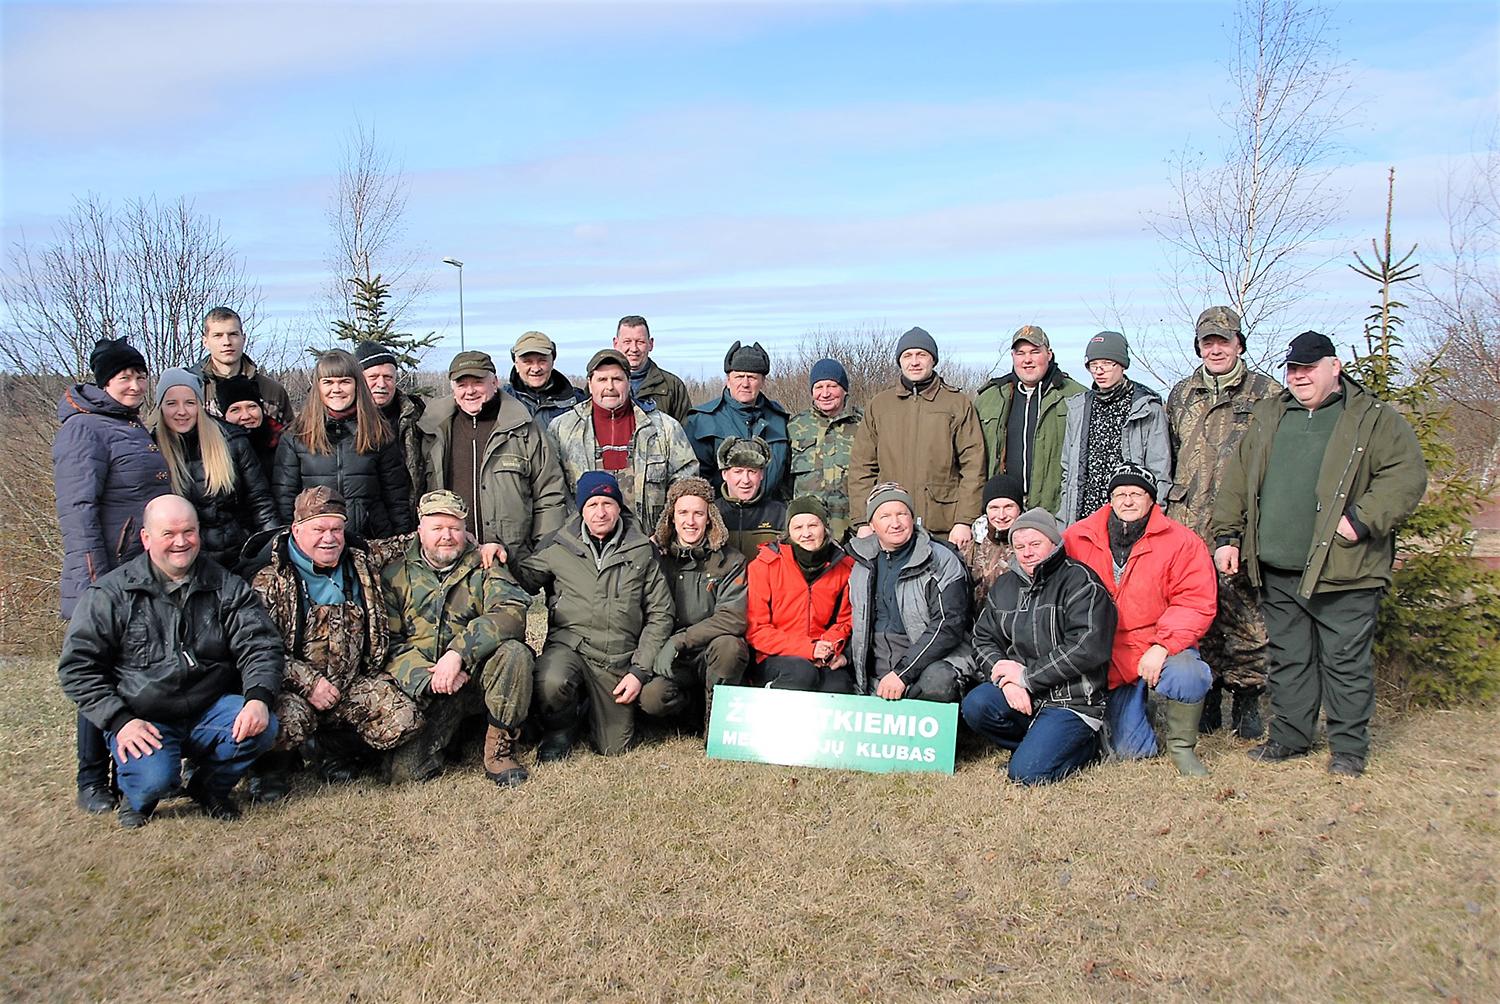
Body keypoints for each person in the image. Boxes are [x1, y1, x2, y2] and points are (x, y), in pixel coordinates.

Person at [1212, 331, 1427, 777]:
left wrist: (1363, 519)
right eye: (1293, 368)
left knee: (1345, 661)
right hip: (1277, 568)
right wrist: (1228, 536)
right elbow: (1238, 479)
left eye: (1309, 367)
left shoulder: (1371, 418)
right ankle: (1291, 738)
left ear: (1335, 367)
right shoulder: (1272, 414)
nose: (1299, 376)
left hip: (1345, 568)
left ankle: (1348, 749)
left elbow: (1406, 475)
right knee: (1290, 658)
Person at [57, 495, 283, 827]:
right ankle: (138, 794)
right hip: (144, 718)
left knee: (264, 728)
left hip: (208, 709)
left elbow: (260, 644)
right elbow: (78, 667)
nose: (181, 542)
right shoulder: (109, 595)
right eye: (169, 534)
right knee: (155, 779)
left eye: (189, 532)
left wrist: (258, 698)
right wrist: (120, 721)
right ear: (146, 538)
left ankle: (209, 788)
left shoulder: (226, 586)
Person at [54, 337, 172, 815]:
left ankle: (127, 769)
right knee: (99, 672)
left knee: (133, 669)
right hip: (104, 572)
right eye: (124, 376)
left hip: (138, 567)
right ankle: (91, 780)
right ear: (103, 382)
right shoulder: (85, 430)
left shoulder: (129, 426)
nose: (134, 384)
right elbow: (78, 510)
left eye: (140, 376)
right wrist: (94, 579)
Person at [247, 486, 423, 800]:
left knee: (404, 719)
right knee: (276, 722)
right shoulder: (270, 580)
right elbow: (261, 651)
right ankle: (269, 771)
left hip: (352, 684)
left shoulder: (359, 560)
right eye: (319, 529)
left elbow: (406, 543)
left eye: (337, 529)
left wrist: (472, 541)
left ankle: (329, 749)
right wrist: (310, 684)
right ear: (296, 530)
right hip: (297, 690)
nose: (329, 538)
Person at [1166, 306, 1283, 738]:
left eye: (1223, 341)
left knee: (1248, 615)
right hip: (1189, 523)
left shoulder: (1267, 394)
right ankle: (1209, 695)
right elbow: (1172, 455)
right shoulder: (1181, 394)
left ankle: (1249, 698)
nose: (1215, 349)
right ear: (1198, 346)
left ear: (1239, 344)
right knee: (1201, 614)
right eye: (1207, 342)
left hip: (1243, 524)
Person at [1063, 465, 1218, 776]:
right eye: (1120, 494)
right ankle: (1135, 709)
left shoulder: (1182, 542)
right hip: (1108, 653)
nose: (1128, 501)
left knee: (1189, 673)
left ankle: (1181, 747)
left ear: (1151, 500)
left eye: (1137, 494)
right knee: (1132, 753)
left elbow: (1195, 601)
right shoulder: (1077, 537)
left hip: (1157, 645)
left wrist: (1163, 645)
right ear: (1110, 499)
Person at [514, 472, 675, 760]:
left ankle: (588, 706)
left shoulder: (642, 550)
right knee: (551, 680)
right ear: (581, 509)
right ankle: (560, 728)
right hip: (570, 645)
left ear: (618, 506)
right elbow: (521, 580)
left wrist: (638, 671)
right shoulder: (558, 545)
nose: (600, 512)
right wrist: (495, 554)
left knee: (613, 747)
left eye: (607, 503)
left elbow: (661, 615)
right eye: (592, 505)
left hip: (616, 657)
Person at [383, 490, 536, 788]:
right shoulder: (394, 576)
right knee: (405, 776)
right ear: (420, 531)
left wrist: (457, 655)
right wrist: (429, 678)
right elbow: (390, 643)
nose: (447, 536)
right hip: (430, 686)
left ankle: (499, 747)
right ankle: (457, 735)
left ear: (466, 531)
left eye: (455, 528)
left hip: (477, 678)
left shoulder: (486, 564)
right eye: (437, 528)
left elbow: (511, 613)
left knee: (515, 653)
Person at [961, 508, 1115, 785]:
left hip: (1073, 701)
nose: (1027, 552)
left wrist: (1027, 677)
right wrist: (1006, 680)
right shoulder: (1006, 585)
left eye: (1035, 544)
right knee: (976, 705)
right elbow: (982, 638)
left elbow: (1086, 647)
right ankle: (1039, 742)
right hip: (1025, 695)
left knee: (1027, 774)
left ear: (1054, 543)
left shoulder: (1081, 582)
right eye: (1019, 546)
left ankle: (1087, 746)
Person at [417, 350, 569, 561]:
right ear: (453, 390)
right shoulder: (432, 432)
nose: (470, 391)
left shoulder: (524, 430)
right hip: (451, 560)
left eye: (478, 382)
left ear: (494, 382)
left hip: (511, 561)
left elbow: (550, 497)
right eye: (462, 384)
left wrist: (539, 559)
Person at [849, 326, 985, 549]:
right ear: (899, 361)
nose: (914, 362)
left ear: (933, 360)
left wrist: (964, 520)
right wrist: (863, 520)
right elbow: (861, 469)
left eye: (921, 355)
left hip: (943, 524)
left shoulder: (956, 403)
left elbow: (973, 466)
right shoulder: (880, 405)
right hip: (890, 525)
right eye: (907, 356)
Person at [846, 483, 976, 703]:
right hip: (878, 658)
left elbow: (949, 625)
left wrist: (903, 673)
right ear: (872, 524)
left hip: (930, 656)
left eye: (902, 514)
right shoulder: (861, 564)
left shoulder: (941, 559)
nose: (895, 523)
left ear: (912, 518)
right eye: (885, 516)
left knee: (938, 682)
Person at [642, 476, 751, 730]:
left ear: (710, 517)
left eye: (698, 514)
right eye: (683, 513)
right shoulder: (655, 558)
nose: (690, 522)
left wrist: (681, 640)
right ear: (671, 517)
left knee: (730, 648)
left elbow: (732, 617)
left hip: (709, 650)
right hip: (671, 656)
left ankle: (717, 724)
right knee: (652, 699)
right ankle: (692, 709)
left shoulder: (731, 561)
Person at [548, 348, 698, 531]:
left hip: (649, 543)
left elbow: (685, 485)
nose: (610, 387)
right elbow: (552, 492)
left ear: (628, 382)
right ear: (590, 383)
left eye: (617, 379)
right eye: (602, 379)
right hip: (584, 546)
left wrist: (663, 533)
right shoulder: (562, 429)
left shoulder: (664, 428)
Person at [273, 349, 414, 540]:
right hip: (318, 542)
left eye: (345, 382)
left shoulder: (378, 433)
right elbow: (285, 499)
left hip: (371, 541)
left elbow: (396, 497)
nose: (336, 389)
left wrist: (401, 540)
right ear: (318, 387)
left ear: (357, 386)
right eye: (328, 382)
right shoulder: (296, 435)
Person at [149, 368, 277, 570]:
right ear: (161, 407)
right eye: (172, 403)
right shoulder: (151, 450)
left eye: (190, 403)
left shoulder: (232, 441)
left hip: (238, 559)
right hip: (182, 564)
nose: (181, 411)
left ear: (199, 405)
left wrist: (272, 552)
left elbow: (260, 502)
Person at [1059, 331, 1173, 525]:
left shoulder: (1147, 407)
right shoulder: (1079, 407)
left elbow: (1160, 471)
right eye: (1093, 365)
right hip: (1086, 517)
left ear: (1121, 364)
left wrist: (1155, 518)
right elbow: (1067, 471)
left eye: (1106, 363)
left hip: (1130, 514)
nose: (1099, 371)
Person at [745, 496, 855, 693]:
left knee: (838, 685)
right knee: (802, 674)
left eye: (813, 525)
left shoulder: (844, 567)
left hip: (822, 652)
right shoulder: (764, 566)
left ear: (825, 527)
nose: (806, 534)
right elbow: (757, 630)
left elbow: (845, 621)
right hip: (774, 655)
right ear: (789, 532)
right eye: (798, 528)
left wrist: (829, 648)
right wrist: (808, 648)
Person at [973, 325, 1086, 515]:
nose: (1027, 360)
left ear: (1049, 354)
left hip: (1056, 512)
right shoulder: (989, 398)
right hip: (1002, 513)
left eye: (1035, 352)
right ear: (1013, 357)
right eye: (1021, 353)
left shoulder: (1076, 397)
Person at [684, 341, 790, 494]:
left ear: (763, 381)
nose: (745, 384)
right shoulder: (703, 420)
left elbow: (787, 478)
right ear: (728, 380)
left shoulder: (779, 420)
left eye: (752, 377)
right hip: (721, 512)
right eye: (739, 376)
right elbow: (694, 482)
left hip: (771, 513)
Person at [787, 357, 864, 542]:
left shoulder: (865, 424)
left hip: (854, 530)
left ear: (844, 389)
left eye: (832, 386)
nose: (825, 393)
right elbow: (783, 482)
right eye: (819, 387)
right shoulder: (795, 426)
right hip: (808, 533)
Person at [189, 306, 294, 427]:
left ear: (243, 338)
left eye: (233, 334)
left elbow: (291, 441)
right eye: (218, 335)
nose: (227, 342)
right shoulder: (192, 390)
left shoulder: (272, 391)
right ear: (205, 341)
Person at [356, 340, 427, 513]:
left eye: (388, 377)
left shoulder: (417, 416)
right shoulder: (345, 422)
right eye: (373, 377)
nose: (381, 384)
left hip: (411, 516)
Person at [714, 436, 788, 562]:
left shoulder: (780, 514)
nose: (746, 480)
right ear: (724, 474)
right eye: (738, 471)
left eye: (752, 471)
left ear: (762, 475)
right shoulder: (712, 513)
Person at [960, 474, 1024, 609]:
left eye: (1008, 507)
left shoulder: (1028, 547)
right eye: (994, 508)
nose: (1001, 516)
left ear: (1019, 509)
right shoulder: (971, 549)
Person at [614, 314, 692, 423]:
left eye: (640, 342)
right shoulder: (601, 385)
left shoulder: (672, 386)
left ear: (650, 344)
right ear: (616, 344)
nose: (634, 349)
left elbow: (687, 432)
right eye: (627, 342)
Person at [502, 330, 586, 428]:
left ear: (552, 362)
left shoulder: (577, 402)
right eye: (528, 362)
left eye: (542, 361)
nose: (536, 369)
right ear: (516, 364)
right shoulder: (500, 401)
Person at [215, 373, 283, 480]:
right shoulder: (215, 449)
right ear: (225, 416)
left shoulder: (282, 442)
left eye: (252, 407)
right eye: (235, 410)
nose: (246, 416)